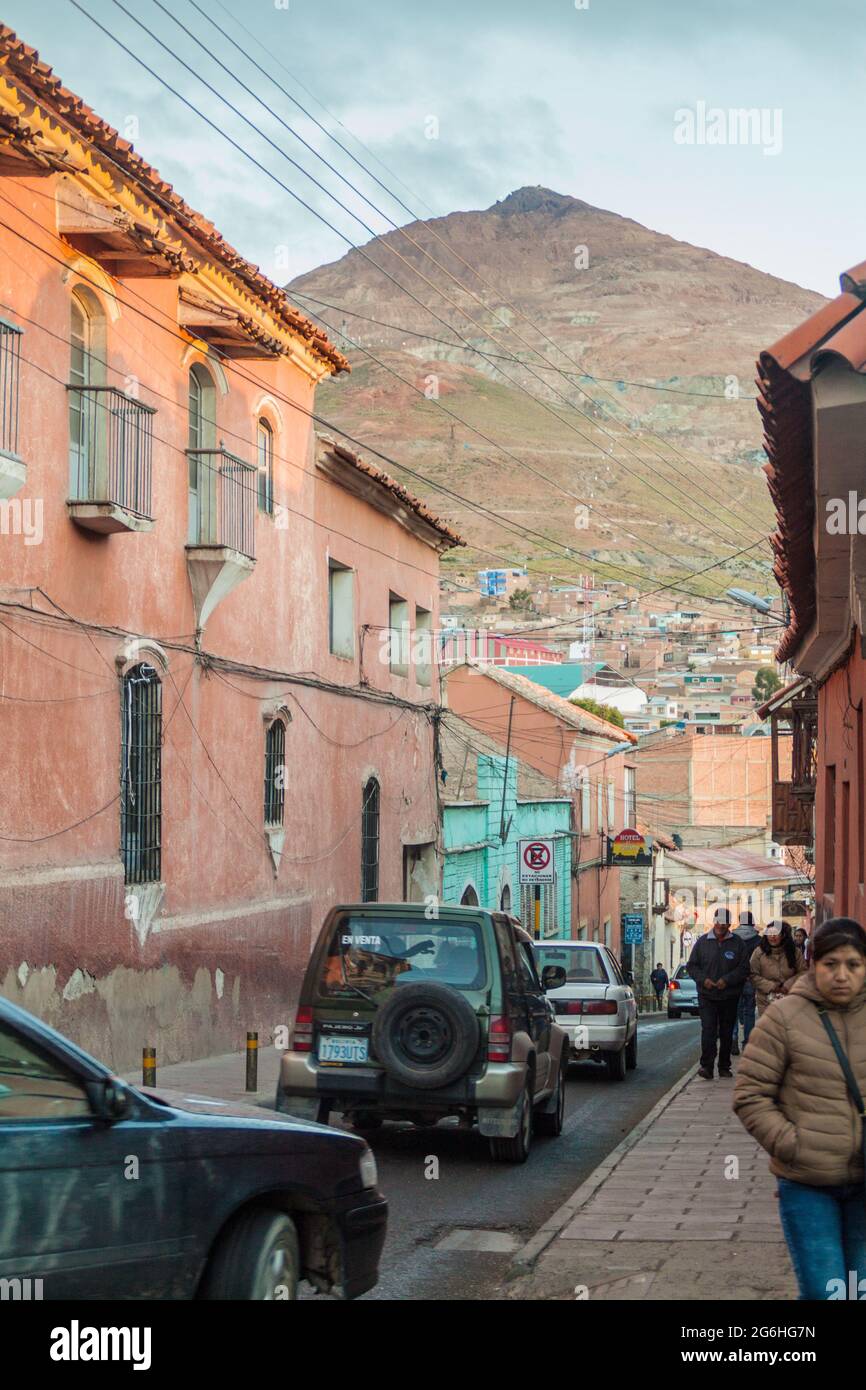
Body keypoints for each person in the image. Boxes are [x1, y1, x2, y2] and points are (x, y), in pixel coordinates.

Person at [733, 917, 866, 1301]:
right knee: (827, 1293)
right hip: (808, 1186)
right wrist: (793, 1144)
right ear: (813, 963)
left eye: (853, 965)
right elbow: (750, 1094)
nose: (842, 975)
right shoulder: (785, 1018)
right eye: (830, 964)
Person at [686, 907, 751, 1079]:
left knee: (726, 1032)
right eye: (718, 921)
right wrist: (704, 980)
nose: (721, 925)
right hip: (707, 996)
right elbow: (692, 966)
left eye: (724, 922)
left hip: (729, 996)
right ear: (714, 922)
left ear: (729, 924)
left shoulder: (738, 943)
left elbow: (744, 968)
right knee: (708, 1030)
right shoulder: (702, 942)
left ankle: (724, 1066)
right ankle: (706, 1066)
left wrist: (727, 980)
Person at [751, 920, 807, 1017]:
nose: (772, 936)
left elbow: (803, 972)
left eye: (776, 933)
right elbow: (752, 974)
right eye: (770, 933)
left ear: (783, 935)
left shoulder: (794, 952)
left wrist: (788, 985)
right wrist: (771, 986)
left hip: (789, 998)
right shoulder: (759, 952)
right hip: (765, 1000)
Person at [732, 911, 760, 1055]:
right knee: (749, 1011)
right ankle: (747, 1042)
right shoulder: (758, 939)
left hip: (735, 980)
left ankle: (734, 1038)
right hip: (750, 979)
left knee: (733, 1011)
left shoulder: (732, 937)